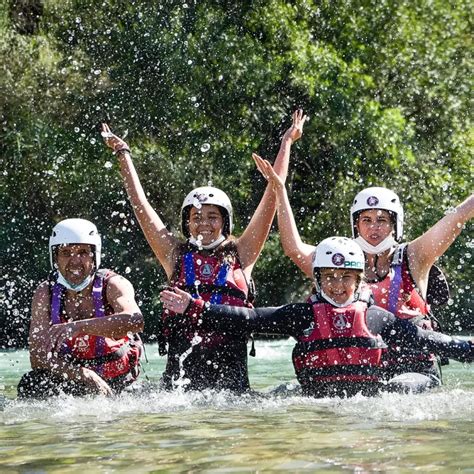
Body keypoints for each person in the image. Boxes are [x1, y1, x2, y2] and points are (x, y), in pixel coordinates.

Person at [101, 111, 307, 392]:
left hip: (231, 379)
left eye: (212, 216)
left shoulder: (242, 254)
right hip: (180, 382)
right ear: (187, 222)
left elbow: (273, 193)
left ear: (225, 221)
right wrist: (123, 153)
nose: (203, 223)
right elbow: (140, 204)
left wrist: (287, 144)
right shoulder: (174, 254)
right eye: (196, 217)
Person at [252, 154, 474, 381]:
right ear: (356, 224)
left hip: (415, 370)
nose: (373, 228)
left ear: (394, 224)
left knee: (397, 391)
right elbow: (293, 247)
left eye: (381, 220)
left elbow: (458, 217)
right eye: (366, 220)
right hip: (366, 374)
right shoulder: (338, 263)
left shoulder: (414, 257)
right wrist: (279, 190)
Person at [161, 237, 473, 398]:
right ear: (317, 280)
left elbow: (426, 339)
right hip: (312, 402)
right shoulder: (302, 316)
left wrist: (468, 349)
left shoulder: (377, 318)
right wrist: (196, 308)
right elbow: (249, 319)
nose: (337, 286)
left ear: (358, 281)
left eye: (345, 278)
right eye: (330, 278)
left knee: (401, 389)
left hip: (367, 402)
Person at [17, 219, 144, 398]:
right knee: (31, 384)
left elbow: (135, 321)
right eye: (66, 252)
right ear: (55, 258)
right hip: (75, 381)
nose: (75, 261)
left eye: (83, 252)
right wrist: (81, 374)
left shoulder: (113, 284)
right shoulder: (45, 292)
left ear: (95, 256)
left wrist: (78, 327)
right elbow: (37, 357)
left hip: (119, 383)